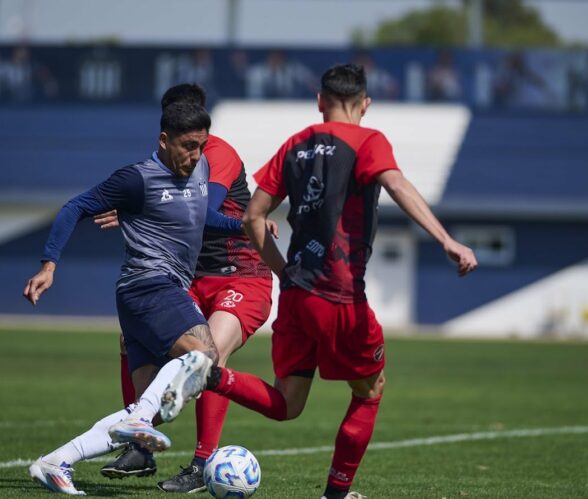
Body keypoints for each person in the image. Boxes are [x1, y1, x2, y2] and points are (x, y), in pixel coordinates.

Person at [159, 64, 478, 499]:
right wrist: (447, 240)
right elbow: (397, 183)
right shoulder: (369, 140)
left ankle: (212, 377)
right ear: (365, 104)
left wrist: (282, 272)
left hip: (295, 296)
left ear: (319, 102)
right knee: (370, 389)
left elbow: (254, 217)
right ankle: (336, 493)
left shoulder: (295, 145)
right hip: (341, 295)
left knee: (287, 403)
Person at [24, 100, 231, 496]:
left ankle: (55, 462)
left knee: (146, 410)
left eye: (202, 145)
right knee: (205, 355)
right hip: (150, 285)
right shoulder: (137, 179)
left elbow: (205, 217)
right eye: (188, 145)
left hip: (143, 298)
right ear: (164, 140)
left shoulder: (201, 167)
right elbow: (77, 206)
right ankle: (137, 424)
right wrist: (49, 265)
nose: (196, 155)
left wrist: (250, 228)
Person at [95, 84, 275, 493]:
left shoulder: (219, 154)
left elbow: (204, 215)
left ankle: (203, 462)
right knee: (131, 337)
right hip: (190, 281)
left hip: (241, 276)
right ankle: (141, 445)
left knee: (208, 360)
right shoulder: (164, 166)